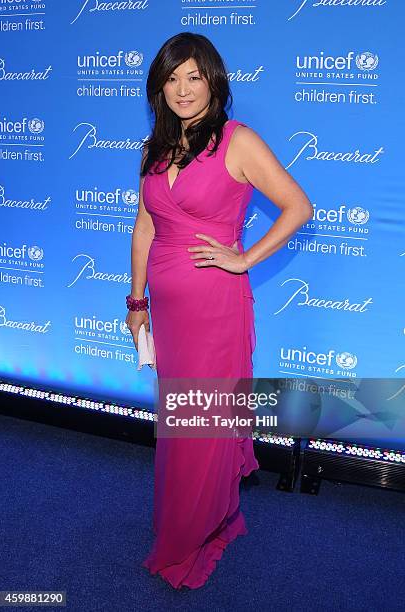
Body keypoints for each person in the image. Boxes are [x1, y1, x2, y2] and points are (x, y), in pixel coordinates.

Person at [125, 32, 313, 590]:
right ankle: (203, 518)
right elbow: (145, 225)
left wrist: (244, 257)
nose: (182, 89)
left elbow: (298, 205)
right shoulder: (155, 147)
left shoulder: (238, 141)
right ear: (159, 86)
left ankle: (196, 532)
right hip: (168, 307)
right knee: (179, 421)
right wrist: (137, 301)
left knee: (201, 424)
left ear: (213, 81)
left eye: (193, 76)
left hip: (214, 308)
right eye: (171, 78)